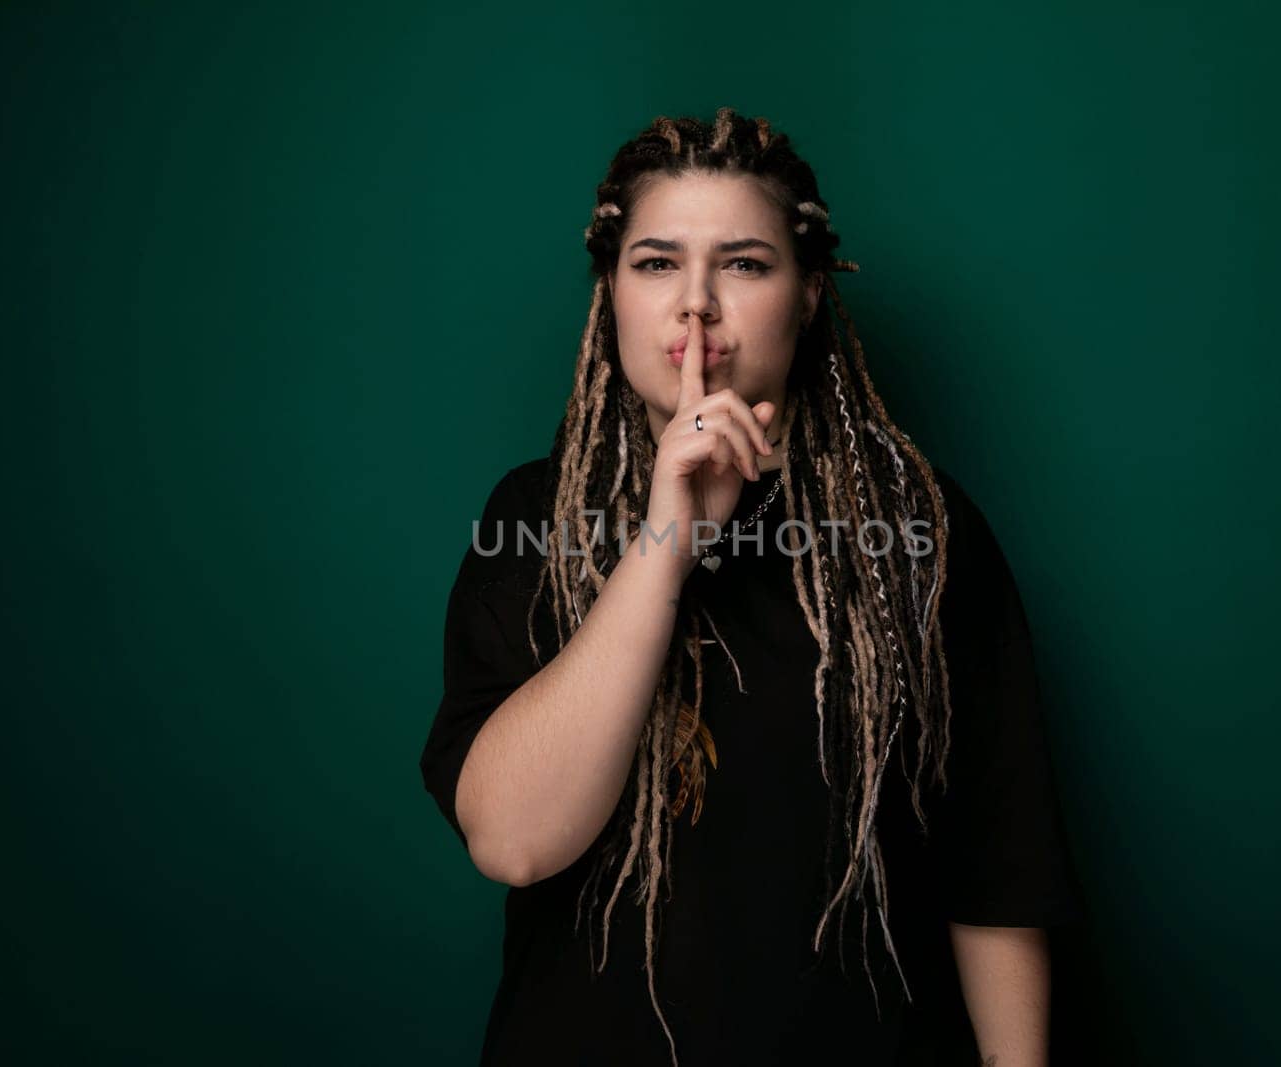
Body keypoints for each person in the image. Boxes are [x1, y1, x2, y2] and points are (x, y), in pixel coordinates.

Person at [420, 107, 1086, 1066]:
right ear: (609, 293)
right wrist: (666, 540)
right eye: (655, 263)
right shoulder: (535, 519)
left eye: (744, 264)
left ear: (810, 292)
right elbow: (515, 842)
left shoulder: (924, 531)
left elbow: (998, 866)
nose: (696, 306)